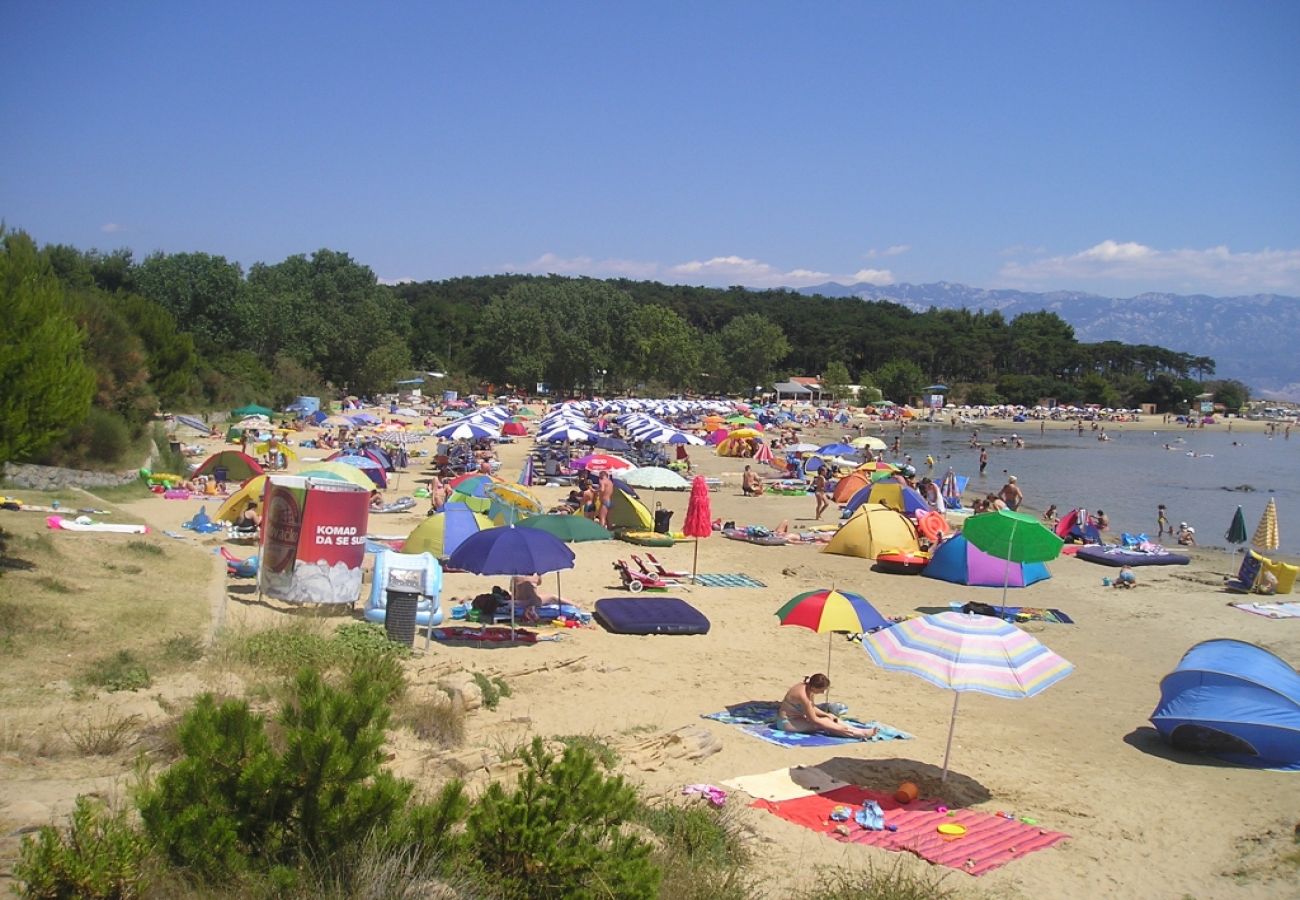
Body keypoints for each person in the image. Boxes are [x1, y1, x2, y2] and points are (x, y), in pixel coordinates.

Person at [776, 674, 877, 739]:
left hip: (797, 717)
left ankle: (857, 730)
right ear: (814, 687)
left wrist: (827, 714)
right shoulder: (803, 696)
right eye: (821, 690)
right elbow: (814, 719)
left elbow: (812, 707)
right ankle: (857, 734)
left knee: (830, 718)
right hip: (787, 722)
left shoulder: (807, 688)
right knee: (824, 724)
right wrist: (837, 728)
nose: (823, 692)